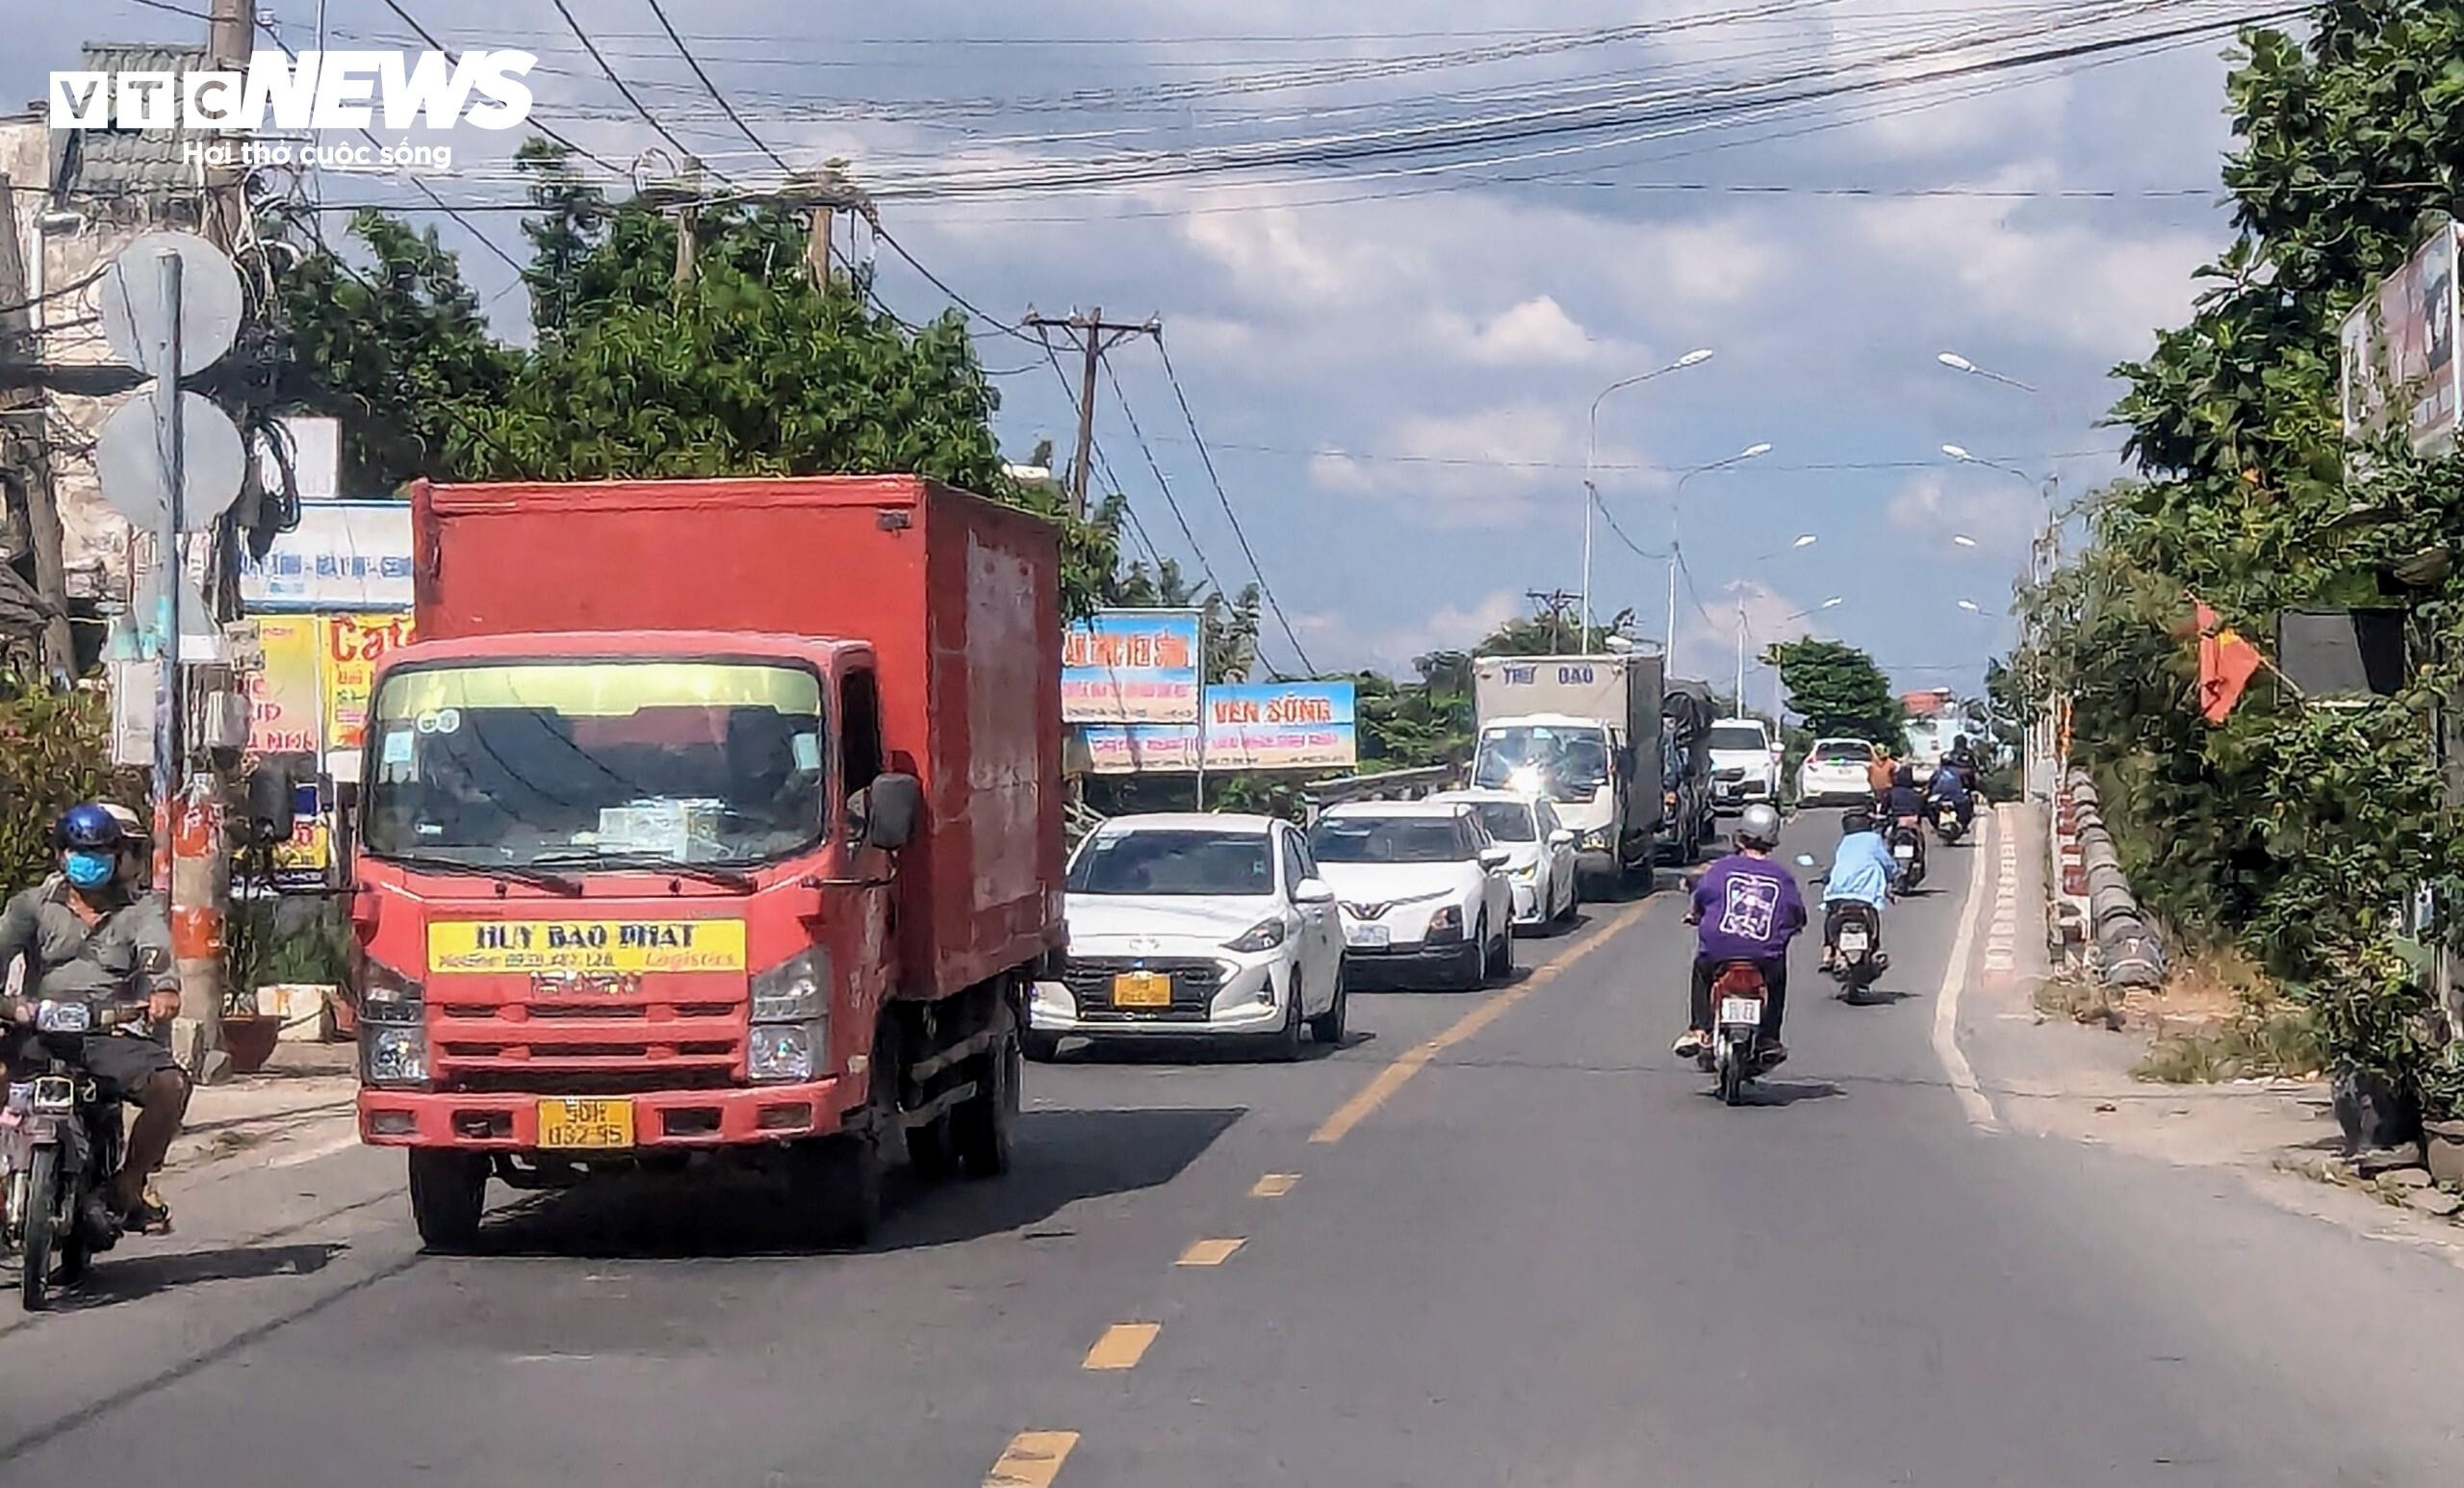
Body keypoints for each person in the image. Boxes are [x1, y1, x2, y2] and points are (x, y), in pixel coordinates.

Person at [0, 803, 190, 1233]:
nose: (91, 861)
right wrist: (14, 1007)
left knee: (170, 1085)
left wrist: (164, 989)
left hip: (109, 1032)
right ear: (61, 855)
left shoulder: (142, 910)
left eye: (103, 852)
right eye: (81, 852)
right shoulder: (30, 907)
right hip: (38, 1029)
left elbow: (156, 954)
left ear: (117, 857)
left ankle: (129, 1182)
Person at [1675, 803, 1807, 1065]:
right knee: (1777, 978)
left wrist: (1696, 915)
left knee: (1702, 968)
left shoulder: (1720, 869)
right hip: (1764, 955)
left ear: (1740, 835)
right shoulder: (1782, 877)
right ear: (1773, 839)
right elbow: (1796, 914)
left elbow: (1701, 899)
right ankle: (1769, 1038)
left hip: (1719, 949)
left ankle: (1700, 1029)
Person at [1819, 809, 1900, 969]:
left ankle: (1829, 951)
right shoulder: (1874, 840)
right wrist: (1893, 874)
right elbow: (1887, 862)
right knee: (1873, 920)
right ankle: (1875, 950)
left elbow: (1838, 866)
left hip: (1838, 894)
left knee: (1831, 916)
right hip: (1865, 896)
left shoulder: (1845, 843)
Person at [1928, 758, 1975, 831]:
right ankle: (1963, 825)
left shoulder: (1938, 772)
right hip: (1956, 798)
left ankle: (1936, 826)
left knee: (1930, 806)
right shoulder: (1959, 771)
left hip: (1940, 798)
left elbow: (1931, 783)